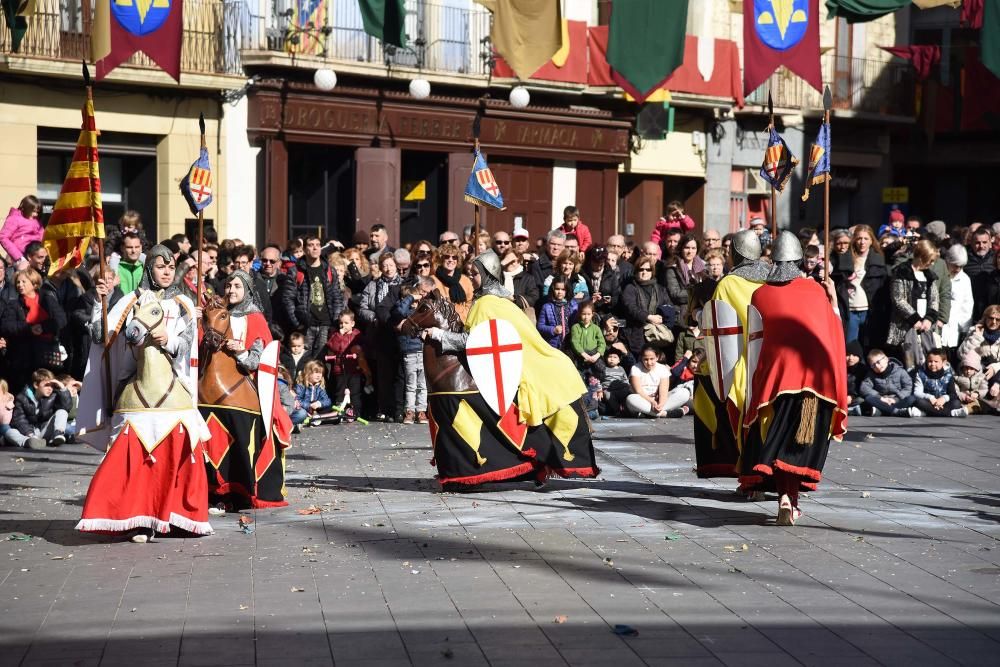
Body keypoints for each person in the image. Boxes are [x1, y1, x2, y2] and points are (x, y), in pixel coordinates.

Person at [421, 250, 600, 487]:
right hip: (532, 367)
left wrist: (440, 335)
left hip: (527, 372)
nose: (471, 278)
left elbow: (474, 341)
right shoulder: (502, 301)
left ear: (488, 275)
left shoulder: (485, 304)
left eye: (475, 274)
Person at [76, 245, 212, 542]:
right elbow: (102, 336)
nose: (165, 272)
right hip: (134, 380)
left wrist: (171, 339)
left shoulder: (183, 304)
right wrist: (101, 302)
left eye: (170, 267)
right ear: (149, 268)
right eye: (160, 266)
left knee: (181, 451)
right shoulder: (130, 300)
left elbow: (190, 342)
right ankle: (135, 518)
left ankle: (176, 516)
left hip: (175, 382)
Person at [740, 232, 848, 525]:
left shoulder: (760, 294)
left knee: (777, 441)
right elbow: (834, 331)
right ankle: (791, 500)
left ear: (773, 260)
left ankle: (785, 499)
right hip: (817, 380)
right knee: (799, 445)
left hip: (778, 379)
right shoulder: (816, 291)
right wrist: (833, 298)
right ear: (800, 260)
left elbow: (755, 342)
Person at [201, 270, 291, 509]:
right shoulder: (218, 314)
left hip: (246, 381)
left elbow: (256, 359)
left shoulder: (255, 318)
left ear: (248, 291)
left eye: (237, 286)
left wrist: (239, 350)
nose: (231, 290)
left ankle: (241, 487)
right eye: (229, 285)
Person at [692, 230, 769, 482]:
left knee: (741, 422)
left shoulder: (727, 283)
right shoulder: (771, 279)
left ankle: (747, 474)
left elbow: (715, 326)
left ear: (735, 253)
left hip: (739, 364)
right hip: (768, 362)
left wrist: (705, 358)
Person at [1, 268, 66, 390]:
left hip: (47, 355)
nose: (20, 285)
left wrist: (43, 327)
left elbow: (61, 319)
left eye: (24, 282)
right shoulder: (14, 305)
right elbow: (6, 326)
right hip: (23, 358)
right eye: (18, 282)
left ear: (34, 283)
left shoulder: (47, 299)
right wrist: (29, 329)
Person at [286, 236, 346, 361]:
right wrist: (297, 323)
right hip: (306, 325)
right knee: (303, 363)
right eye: (311, 245)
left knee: (321, 364)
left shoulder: (329, 270)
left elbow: (337, 297)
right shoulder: (295, 270)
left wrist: (335, 322)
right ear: (304, 249)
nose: (315, 248)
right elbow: (288, 299)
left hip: (326, 324)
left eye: (318, 245)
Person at [359, 252, 403, 421]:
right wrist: (374, 317)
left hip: (398, 332)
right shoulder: (372, 285)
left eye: (391, 265)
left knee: (400, 373)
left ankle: (399, 409)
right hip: (379, 332)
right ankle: (384, 408)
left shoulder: (404, 284)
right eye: (384, 265)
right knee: (383, 373)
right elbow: (362, 308)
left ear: (396, 266)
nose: (388, 268)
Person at [887, 240, 940, 369]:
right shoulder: (901, 272)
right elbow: (898, 299)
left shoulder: (929, 276)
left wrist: (929, 319)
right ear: (921, 257)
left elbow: (934, 299)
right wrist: (914, 319)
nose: (932, 264)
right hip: (904, 326)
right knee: (906, 360)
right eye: (930, 260)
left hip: (925, 327)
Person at [620, 255, 673, 357]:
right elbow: (631, 308)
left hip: (657, 336)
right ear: (636, 271)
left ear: (652, 271)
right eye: (641, 269)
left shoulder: (660, 289)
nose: (644, 272)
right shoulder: (630, 288)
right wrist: (648, 317)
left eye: (648, 269)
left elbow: (669, 306)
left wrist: (662, 317)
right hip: (636, 335)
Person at [5, 368, 71, 449]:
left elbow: (66, 407)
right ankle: (27, 442)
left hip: (43, 431)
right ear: (36, 385)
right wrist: (30, 434)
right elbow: (19, 419)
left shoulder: (54, 395)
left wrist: (62, 388)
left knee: (62, 411)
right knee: (9, 432)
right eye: (46, 385)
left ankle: (58, 434)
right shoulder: (22, 397)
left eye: (52, 385)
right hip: (27, 434)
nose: (50, 388)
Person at [324, 310, 371, 422]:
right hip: (340, 368)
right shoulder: (336, 335)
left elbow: (362, 348)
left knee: (355, 393)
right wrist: (340, 335)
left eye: (346, 323)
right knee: (340, 392)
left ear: (352, 324)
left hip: (354, 369)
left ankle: (357, 412)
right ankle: (339, 412)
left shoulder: (357, 335)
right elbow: (334, 347)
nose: (343, 325)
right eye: (341, 323)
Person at [626, 345, 683, 417]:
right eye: (646, 359)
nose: (649, 362)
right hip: (642, 399)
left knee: (683, 392)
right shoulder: (635, 368)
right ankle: (665, 414)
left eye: (652, 359)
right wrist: (651, 401)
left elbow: (663, 392)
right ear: (641, 358)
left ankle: (649, 413)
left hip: (657, 401)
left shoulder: (662, 368)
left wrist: (660, 404)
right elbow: (638, 391)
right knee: (630, 399)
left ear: (657, 357)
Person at [860, 349, 916, 416]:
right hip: (882, 401)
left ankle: (882, 411)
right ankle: (897, 412)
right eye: (873, 365)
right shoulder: (871, 375)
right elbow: (864, 388)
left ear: (886, 359)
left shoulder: (900, 371)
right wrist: (881, 398)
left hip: (898, 400)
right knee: (868, 398)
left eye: (878, 362)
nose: (877, 366)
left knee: (912, 398)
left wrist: (895, 399)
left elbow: (908, 387)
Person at [912, 348, 965, 417]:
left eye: (936, 361)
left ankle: (925, 413)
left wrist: (944, 399)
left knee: (956, 403)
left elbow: (953, 394)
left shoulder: (948, 375)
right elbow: (917, 393)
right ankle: (951, 413)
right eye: (930, 361)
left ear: (944, 362)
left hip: (943, 403)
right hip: (929, 402)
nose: (932, 364)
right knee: (919, 402)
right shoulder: (921, 374)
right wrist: (930, 397)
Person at [432, 243, 474, 322]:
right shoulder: (433, 280)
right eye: (447, 257)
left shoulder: (465, 280)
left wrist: (460, 318)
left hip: (463, 322)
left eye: (454, 257)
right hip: (441, 323)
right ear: (441, 259)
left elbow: (471, 303)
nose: (451, 260)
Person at [1, 195, 44, 270]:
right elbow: (3, 237)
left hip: (35, 257)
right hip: (19, 257)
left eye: (37, 212)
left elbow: (43, 237)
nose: (35, 214)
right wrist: (18, 257)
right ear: (26, 208)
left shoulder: (37, 222)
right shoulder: (14, 218)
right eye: (33, 211)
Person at [291, 360, 333, 427]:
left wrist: (320, 403)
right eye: (316, 372)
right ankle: (299, 422)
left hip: (315, 410)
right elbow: (297, 400)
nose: (319, 375)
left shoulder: (320, 386)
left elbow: (327, 400)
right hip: (305, 409)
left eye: (320, 373)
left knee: (330, 407)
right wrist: (309, 405)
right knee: (301, 413)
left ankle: (320, 418)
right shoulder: (301, 386)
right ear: (308, 373)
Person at [537, 279, 577, 349]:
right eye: (557, 289)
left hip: (571, 345)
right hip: (554, 345)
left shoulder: (573, 305)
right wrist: (553, 330)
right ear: (553, 289)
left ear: (567, 290)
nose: (559, 292)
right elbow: (540, 326)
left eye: (563, 289)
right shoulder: (547, 307)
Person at [568, 302, 605, 376]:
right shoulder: (575, 327)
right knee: (580, 376)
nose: (586, 317)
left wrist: (597, 355)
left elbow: (602, 343)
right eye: (584, 314)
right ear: (579, 314)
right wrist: (584, 354)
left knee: (595, 377)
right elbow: (575, 342)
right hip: (580, 357)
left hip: (594, 357)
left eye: (588, 314)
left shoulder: (596, 328)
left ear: (592, 314)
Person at [598, 349, 630, 417]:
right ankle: (617, 410)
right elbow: (599, 380)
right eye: (610, 357)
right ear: (606, 359)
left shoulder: (621, 368)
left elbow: (625, 379)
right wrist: (600, 390)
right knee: (608, 396)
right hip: (607, 389)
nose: (612, 359)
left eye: (615, 357)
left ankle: (627, 409)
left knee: (628, 393)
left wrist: (627, 386)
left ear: (619, 360)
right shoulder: (604, 369)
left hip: (619, 388)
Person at [845, 340, 868, 417]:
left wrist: (852, 396)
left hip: (855, 398)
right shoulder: (839, 369)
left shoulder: (864, 370)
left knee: (862, 400)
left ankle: (852, 409)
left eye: (854, 355)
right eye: (848, 355)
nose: (851, 358)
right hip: (842, 397)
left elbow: (865, 388)